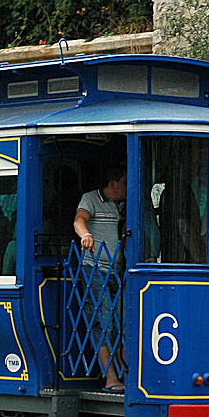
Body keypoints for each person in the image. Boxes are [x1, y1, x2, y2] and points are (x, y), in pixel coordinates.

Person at [73, 165, 127, 392]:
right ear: (113, 184)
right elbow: (79, 220)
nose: (128, 187)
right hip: (96, 270)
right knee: (103, 322)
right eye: (124, 183)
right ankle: (111, 377)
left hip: (121, 271)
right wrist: (86, 235)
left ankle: (127, 374)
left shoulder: (125, 204)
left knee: (123, 323)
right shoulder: (90, 199)